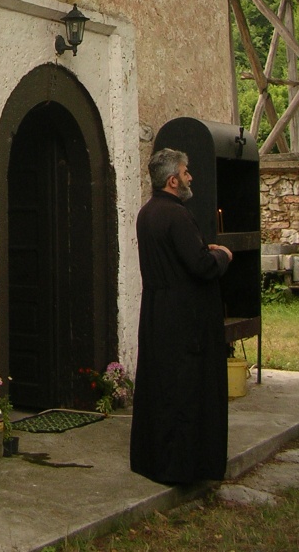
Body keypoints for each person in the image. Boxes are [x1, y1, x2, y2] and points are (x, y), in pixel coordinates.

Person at [130, 147, 233, 485]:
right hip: (184, 317)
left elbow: (175, 256)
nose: (191, 177)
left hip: (157, 313)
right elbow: (200, 266)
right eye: (186, 172)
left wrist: (203, 250)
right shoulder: (177, 215)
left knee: (161, 387)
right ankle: (183, 467)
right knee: (185, 390)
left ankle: (154, 460)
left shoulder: (147, 212)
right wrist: (222, 256)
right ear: (173, 180)